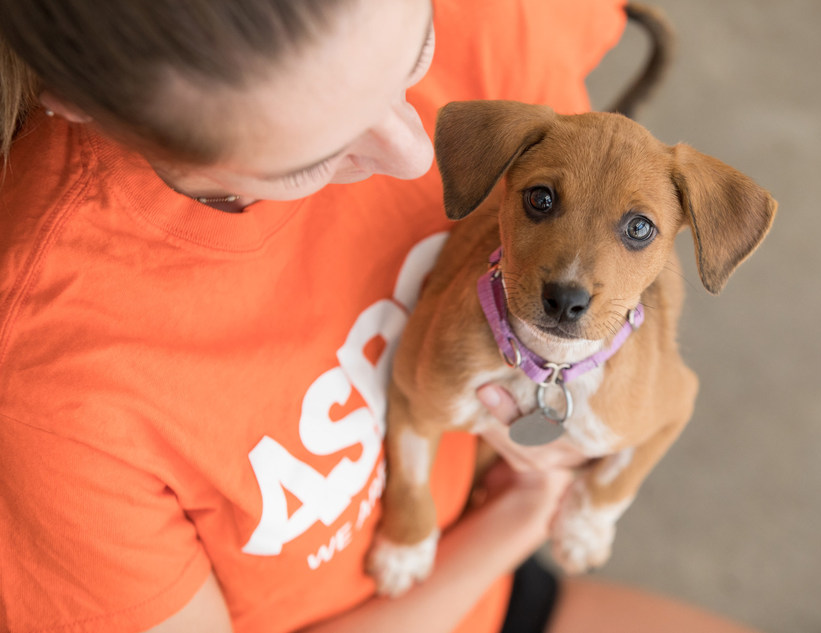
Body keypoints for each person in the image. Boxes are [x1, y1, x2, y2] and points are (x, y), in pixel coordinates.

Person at [0, 1, 762, 631]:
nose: (415, 157)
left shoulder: (494, 18)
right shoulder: (50, 382)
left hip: (496, 577)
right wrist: (521, 519)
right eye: (314, 155)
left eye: (414, 56)